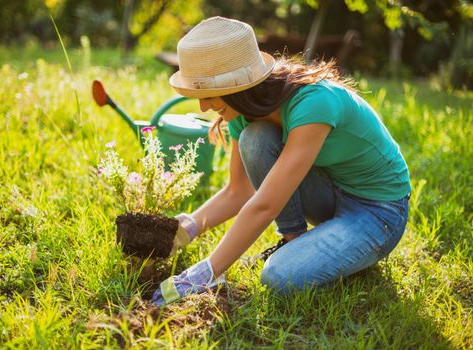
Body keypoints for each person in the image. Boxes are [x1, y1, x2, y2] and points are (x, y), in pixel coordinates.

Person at [152, 16, 411, 306]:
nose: (202, 106)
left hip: (378, 211)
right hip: (329, 191)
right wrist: (184, 228)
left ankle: (341, 253)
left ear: (238, 86)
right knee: (256, 138)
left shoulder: (313, 101)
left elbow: (265, 204)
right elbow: (238, 192)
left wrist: (208, 271)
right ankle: (294, 239)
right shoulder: (242, 112)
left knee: (278, 278)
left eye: (208, 94)